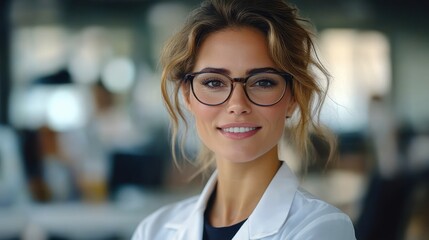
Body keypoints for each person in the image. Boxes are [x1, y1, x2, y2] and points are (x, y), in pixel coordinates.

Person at [132, 0, 356, 239]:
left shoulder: (321, 228)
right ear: (188, 95)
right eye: (214, 82)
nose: (238, 105)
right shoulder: (153, 230)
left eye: (263, 82)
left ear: (293, 97)